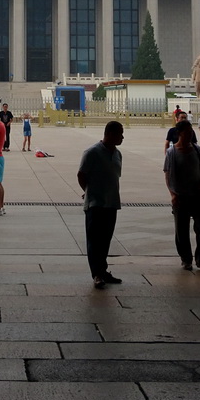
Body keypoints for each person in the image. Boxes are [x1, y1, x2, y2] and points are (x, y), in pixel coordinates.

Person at [77, 120, 124, 288]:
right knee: (94, 240)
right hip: (95, 204)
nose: (122, 137)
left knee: (106, 240)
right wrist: (89, 191)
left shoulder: (118, 154)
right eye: (120, 133)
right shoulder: (92, 152)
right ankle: (97, 273)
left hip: (112, 203)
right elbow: (81, 175)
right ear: (110, 134)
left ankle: (103, 271)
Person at [163, 119, 200, 271]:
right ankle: (186, 259)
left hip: (197, 195)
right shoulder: (172, 153)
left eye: (191, 132)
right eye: (187, 133)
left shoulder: (198, 150)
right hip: (180, 196)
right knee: (182, 230)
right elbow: (168, 174)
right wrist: (172, 194)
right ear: (179, 134)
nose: (190, 135)